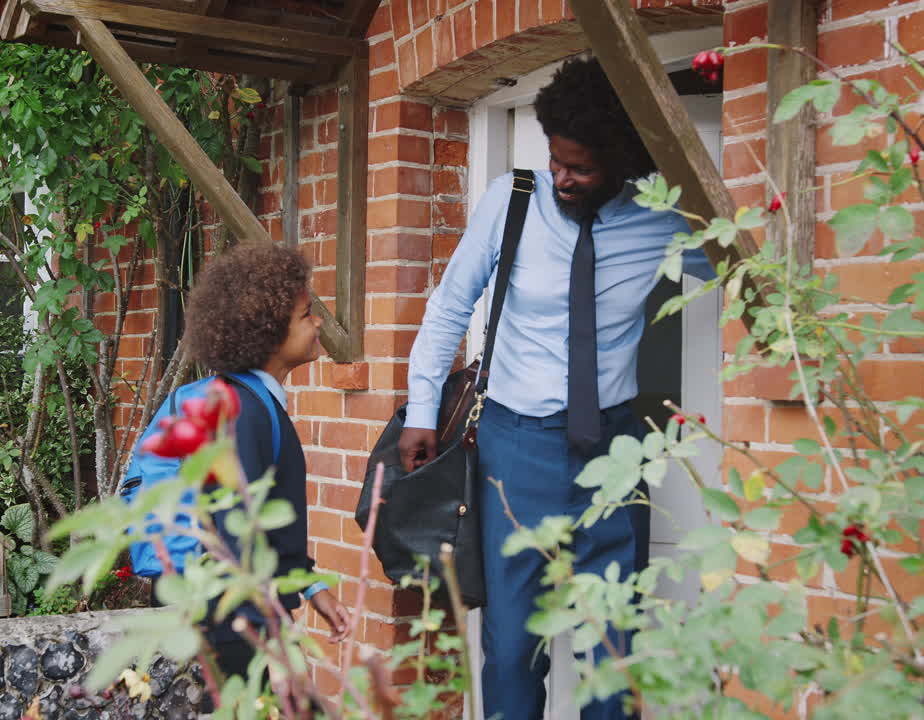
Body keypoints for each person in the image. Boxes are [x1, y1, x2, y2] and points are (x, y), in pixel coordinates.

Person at [398, 57, 713, 719]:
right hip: (517, 449)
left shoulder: (662, 222)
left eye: (581, 168)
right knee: (513, 647)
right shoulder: (511, 202)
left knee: (613, 644)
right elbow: (450, 305)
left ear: (622, 162)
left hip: (615, 451)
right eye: (556, 160)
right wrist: (421, 410)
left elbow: (741, 269)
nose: (562, 178)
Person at [138, 243, 351, 682]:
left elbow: (264, 522)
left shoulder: (245, 401)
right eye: (306, 314)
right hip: (229, 621)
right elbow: (238, 529)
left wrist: (310, 587)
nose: (318, 322)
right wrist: (273, 626)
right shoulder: (246, 412)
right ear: (269, 332)